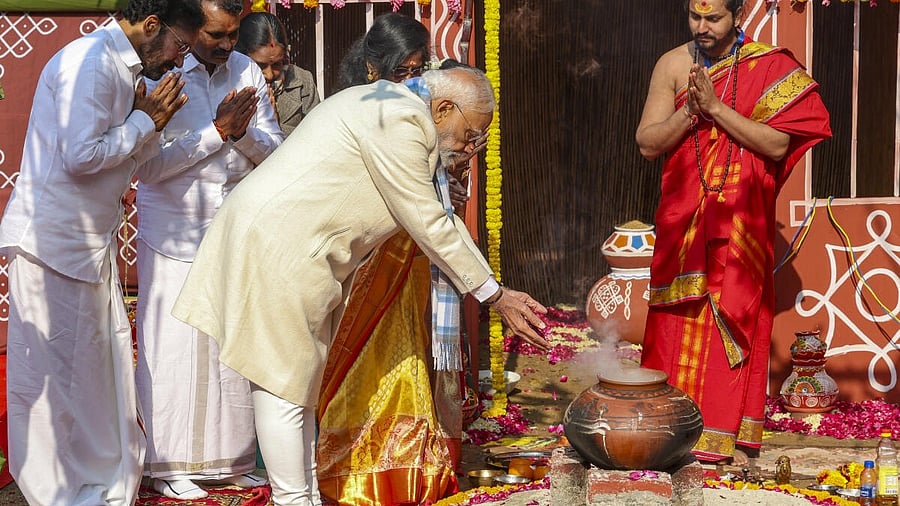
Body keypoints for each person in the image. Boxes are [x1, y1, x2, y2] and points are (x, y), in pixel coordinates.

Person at [171, 65, 549, 505]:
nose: (471, 145)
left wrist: (494, 288)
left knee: (300, 385)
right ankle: (293, 499)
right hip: (279, 245)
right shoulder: (398, 120)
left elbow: (437, 216)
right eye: (471, 132)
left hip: (296, 249)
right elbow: (425, 221)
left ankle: (304, 496)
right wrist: (494, 295)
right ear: (444, 107)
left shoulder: (396, 108)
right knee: (284, 385)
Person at [0, 0, 205, 503]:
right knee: (52, 379)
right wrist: (144, 121)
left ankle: (93, 483)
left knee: (92, 374)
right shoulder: (91, 62)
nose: (181, 60)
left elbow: (138, 160)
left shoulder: (124, 69)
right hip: (53, 244)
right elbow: (80, 155)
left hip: (88, 243)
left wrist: (152, 123)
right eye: (181, 45)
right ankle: (57, 491)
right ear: (152, 25)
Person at [635, 0, 831, 466]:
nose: (702, 28)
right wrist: (691, 114)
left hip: (742, 224)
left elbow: (778, 142)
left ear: (737, 13)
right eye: (694, 17)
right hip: (684, 222)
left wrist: (718, 109)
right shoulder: (672, 64)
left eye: (713, 18)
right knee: (675, 325)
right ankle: (666, 437)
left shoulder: (770, 66)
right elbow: (647, 143)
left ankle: (729, 441)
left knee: (735, 315)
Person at [314, 15, 483, 504]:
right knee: (368, 361)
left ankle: (413, 460)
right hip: (372, 263)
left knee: (414, 358)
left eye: (418, 68)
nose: (412, 80)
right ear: (372, 69)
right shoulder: (362, 113)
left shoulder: (417, 115)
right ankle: (360, 469)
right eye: (403, 69)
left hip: (411, 265)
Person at [134, 0, 283, 500]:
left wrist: (238, 137)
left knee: (229, 351)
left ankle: (229, 462)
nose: (226, 45)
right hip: (174, 230)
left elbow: (275, 150)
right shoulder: (162, 74)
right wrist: (215, 133)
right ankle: (167, 463)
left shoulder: (246, 71)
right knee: (175, 351)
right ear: (191, 29)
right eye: (216, 35)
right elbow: (147, 168)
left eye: (231, 35)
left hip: (234, 231)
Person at [235, 11, 320, 136]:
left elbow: (317, 137)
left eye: (276, 64)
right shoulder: (229, 81)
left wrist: (276, 125)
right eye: (260, 65)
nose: (269, 75)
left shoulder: (302, 81)